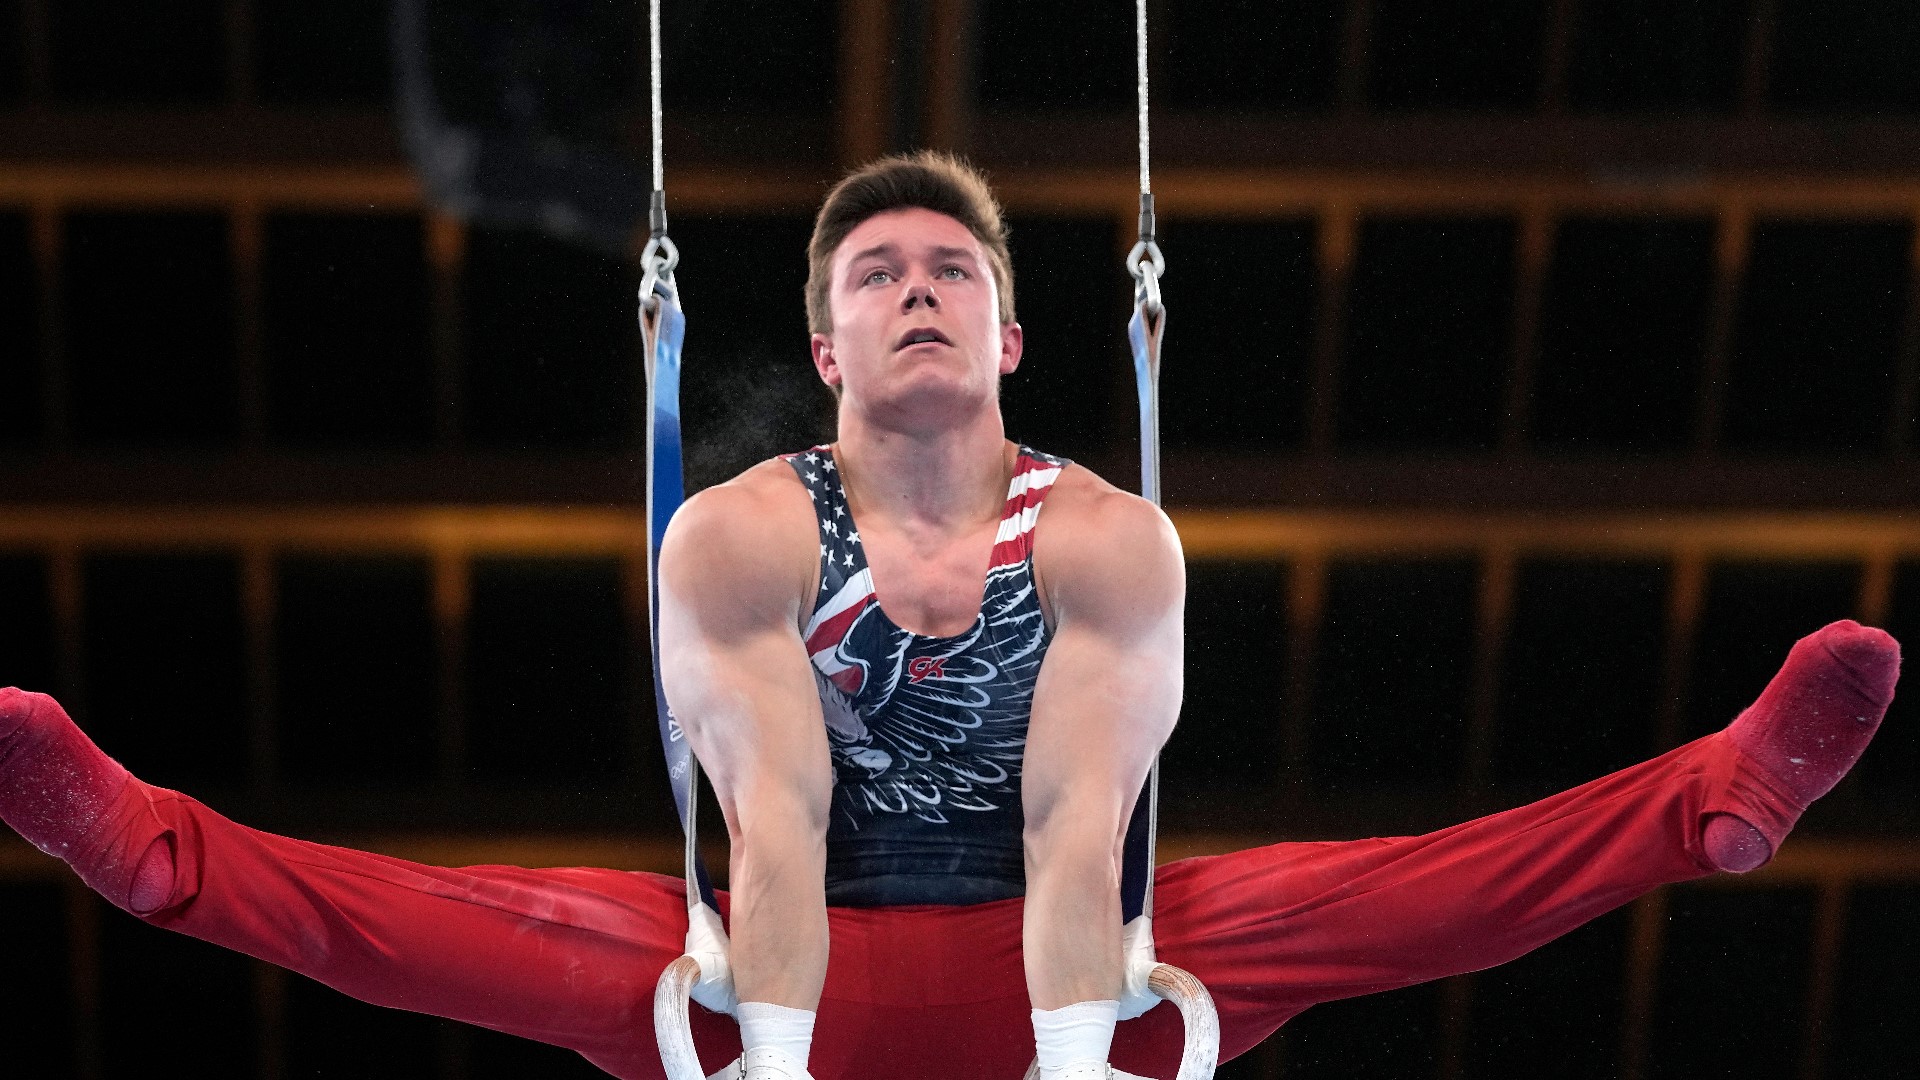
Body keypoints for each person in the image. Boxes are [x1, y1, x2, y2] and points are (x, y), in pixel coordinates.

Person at [0, 152, 1901, 1080]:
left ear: (1013, 335)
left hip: (1065, 961)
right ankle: (158, 856)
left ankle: (1711, 802)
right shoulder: (740, 538)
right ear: (822, 344)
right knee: (487, 931)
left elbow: (1087, 821)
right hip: (787, 974)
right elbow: (784, 828)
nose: (918, 292)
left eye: (953, 272)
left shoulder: (1106, 540)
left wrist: (1079, 1072)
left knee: (1367, 897)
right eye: (878, 275)